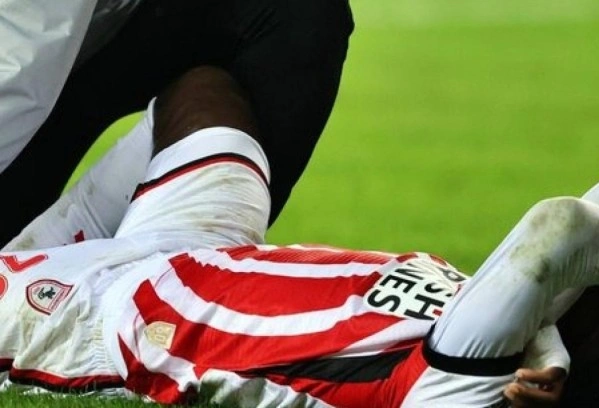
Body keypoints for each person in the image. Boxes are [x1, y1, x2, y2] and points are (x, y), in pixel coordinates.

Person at [0, 66, 599, 407]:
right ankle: (39, 245)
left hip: (113, 322)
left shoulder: (464, 387)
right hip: (197, 252)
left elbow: (563, 227)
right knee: (205, 92)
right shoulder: (527, 324)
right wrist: (556, 338)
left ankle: (27, 266)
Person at [0, 0, 354, 246]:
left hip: (113, 24)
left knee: (297, 14)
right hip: (25, 53)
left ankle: (189, 277)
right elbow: (25, 43)